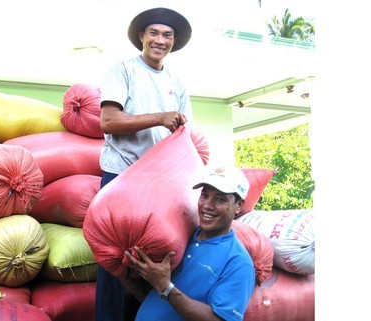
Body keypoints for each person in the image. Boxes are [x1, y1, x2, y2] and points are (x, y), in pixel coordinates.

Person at [95, 7, 195, 321]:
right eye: (154, 33)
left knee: (158, 260)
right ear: (141, 36)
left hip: (158, 184)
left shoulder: (176, 82)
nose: (160, 40)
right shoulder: (122, 70)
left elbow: (183, 134)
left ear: (174, 42)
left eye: (167, 35)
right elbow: (108, 121)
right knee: (114, 262)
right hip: (121, 177)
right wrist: (159, 118)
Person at [122, 165, 256, 321]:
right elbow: (156, 295)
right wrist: (124, 271)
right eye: (205, 195)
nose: (207, 205)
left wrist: (166, 287)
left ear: (239, 206)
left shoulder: (238, 262)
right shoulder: (180, 235)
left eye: (220, 199)